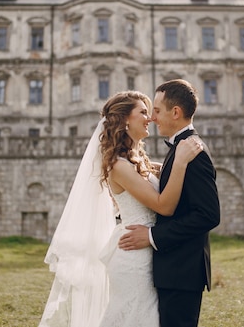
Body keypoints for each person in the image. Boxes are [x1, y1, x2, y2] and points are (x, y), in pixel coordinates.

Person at [39, 90, 203, 327]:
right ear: (125, 119)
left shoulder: (138, 160)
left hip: (148, 253)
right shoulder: (118, 164)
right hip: (133, 257)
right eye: (144, 112)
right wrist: (180, 160)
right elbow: (163, 206)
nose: (151, 118)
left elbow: (164, 174)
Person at [119, 79, 221, 327]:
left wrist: (153, 236)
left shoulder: (192, 153)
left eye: (156, 110)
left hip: (182, 272)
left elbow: (208, 215)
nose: (152, 118)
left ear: (175, 112)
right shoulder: (180, 150)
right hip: (173, 271)